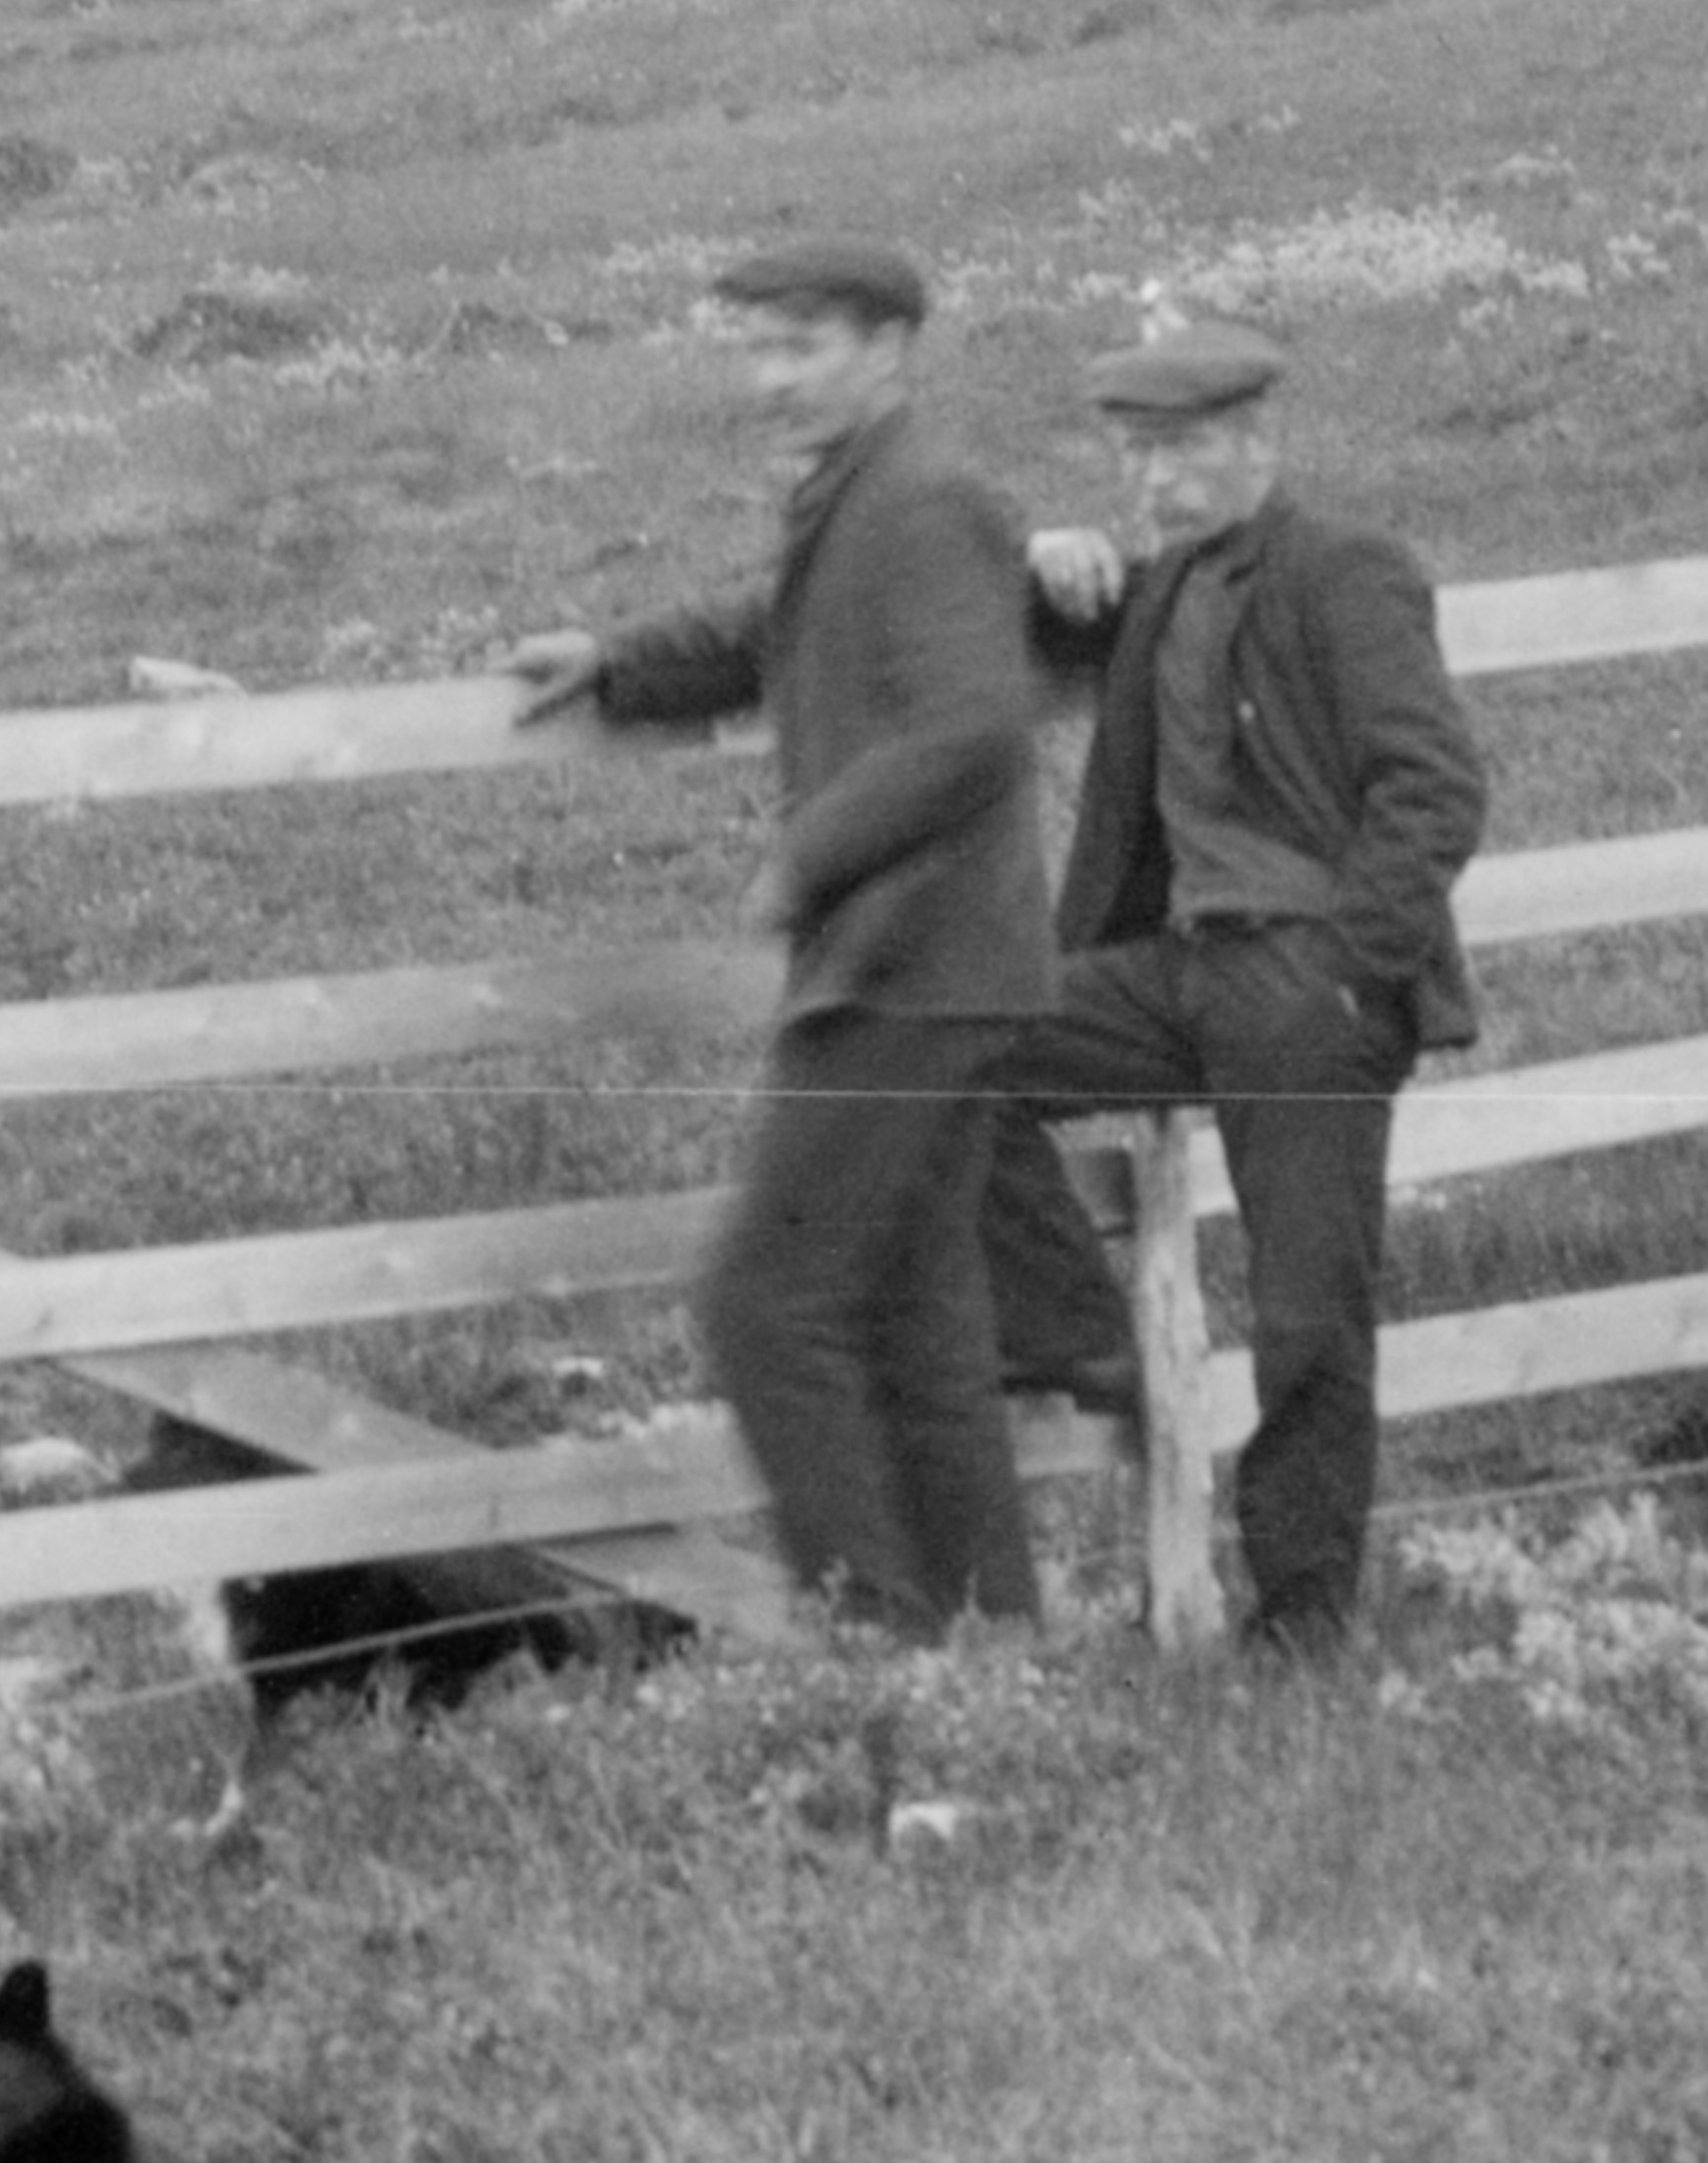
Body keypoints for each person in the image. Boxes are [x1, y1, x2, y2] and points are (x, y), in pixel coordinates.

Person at [504, 234, 1056, 1635]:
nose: (773, 378)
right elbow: (780, 622)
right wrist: (620, 659)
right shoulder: (867, 494)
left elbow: (976, 725)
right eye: (758, 348)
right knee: (921, 1320)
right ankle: (995, 1651)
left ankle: (874, 1639)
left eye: (803, 345)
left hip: (911, 967)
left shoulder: (927, 500)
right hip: (934, 968)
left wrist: (807, 857)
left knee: (767, 1303)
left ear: (889, 348)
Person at [979, 331, 1487, 1657]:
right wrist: (1037, 558)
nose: (1156, 477)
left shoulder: (1343, 568)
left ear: (1261, 438)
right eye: (1136, 451)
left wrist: (1347, 969)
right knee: (951, 1042)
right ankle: (1080, 1331)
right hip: (1181, 971)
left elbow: (1435, 786)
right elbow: (1006, 613)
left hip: (1308, 984)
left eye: (1185, 447)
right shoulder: (1160, 584)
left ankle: (1302, 1619)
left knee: (1308, 1312)